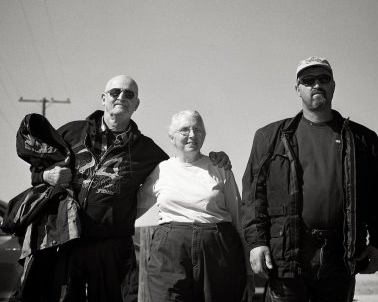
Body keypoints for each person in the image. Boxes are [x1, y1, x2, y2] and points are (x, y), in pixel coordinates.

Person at [30, 76, 232, 302]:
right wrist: (46, 175)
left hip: (112, 247)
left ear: (137, 104)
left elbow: (183, 166)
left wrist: (217, 159)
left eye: (129, 94)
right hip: (67, 241)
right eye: (115, 92)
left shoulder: (148, 152)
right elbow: (37, 171)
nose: (121, 98)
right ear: (103, 98)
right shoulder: (70, 133)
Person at [241, 56, 378, 302]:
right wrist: (257, 242)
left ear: (333, 85)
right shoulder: (269, 137)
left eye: (323, 79)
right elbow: (253, 196)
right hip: (288, 253)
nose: (316, 85)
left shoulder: (363, 140)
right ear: (297, 89)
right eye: (308, 80)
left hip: (340, 254)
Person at [137, 110, 254, 302]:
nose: (192, 135)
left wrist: (249, 271)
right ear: (171, 137)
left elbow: (239, 219)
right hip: (170, 250)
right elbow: (134, 208)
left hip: (217, 249)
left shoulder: (220, 168)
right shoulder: (161, 170)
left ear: (204, 135)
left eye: (197, 130)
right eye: (184, 130)